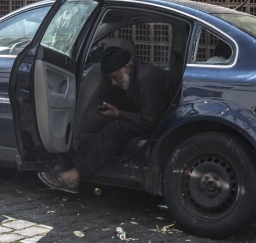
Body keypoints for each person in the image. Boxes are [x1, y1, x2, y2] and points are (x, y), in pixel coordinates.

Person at [38, 46, 176, 193]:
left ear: (127, 68)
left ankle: (74, 177)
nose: (113, 83)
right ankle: (74, 161)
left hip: (163, 128)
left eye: (114, 77)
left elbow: (151, 121)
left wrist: (119, 114)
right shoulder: (138, 74)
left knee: (117, 128)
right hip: (154, 119)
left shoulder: (147, 78)